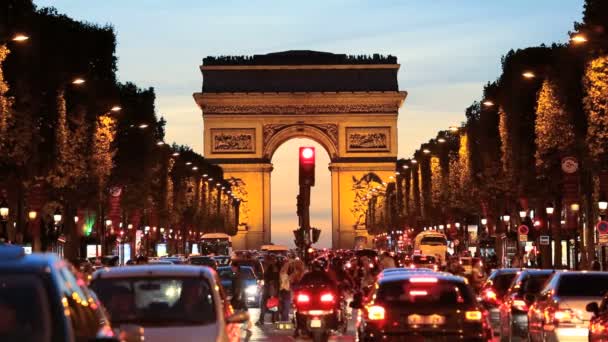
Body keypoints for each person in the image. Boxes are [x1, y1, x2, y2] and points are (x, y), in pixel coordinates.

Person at [257, 255, 280, 326]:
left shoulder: (271, 268)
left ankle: (262, 319)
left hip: (270, 289)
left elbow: (270, 280)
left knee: (265, 304)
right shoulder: (275, 267)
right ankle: (273, 319)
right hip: (272, 289)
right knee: (273, 304)